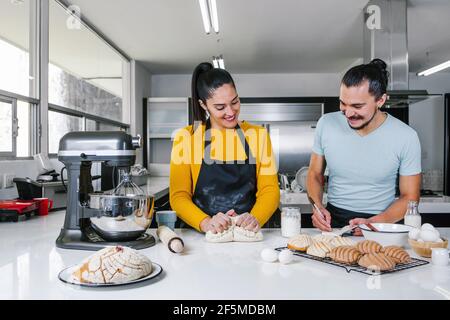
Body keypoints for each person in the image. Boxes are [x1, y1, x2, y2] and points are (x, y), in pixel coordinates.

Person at [307, 59, 421, 235]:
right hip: (333, 222)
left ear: (381, 100)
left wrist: (374, 223)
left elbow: (410, 197)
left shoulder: (406, 137)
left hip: (382, 223)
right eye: (343, 103)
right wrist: (317, 206)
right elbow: (314, 173)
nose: (348, 113)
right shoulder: (326, 124)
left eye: (357, 106)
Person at [169, 62, 280, 234]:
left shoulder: (257, 136)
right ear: (204, 105)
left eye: (235, 102)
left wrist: (254, 218)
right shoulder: (187, 138)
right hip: (204, 237)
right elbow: (179, 196)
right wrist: (205, 222)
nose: (231, 112)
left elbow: (269, 189)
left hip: (248, 234)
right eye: (220, 107)